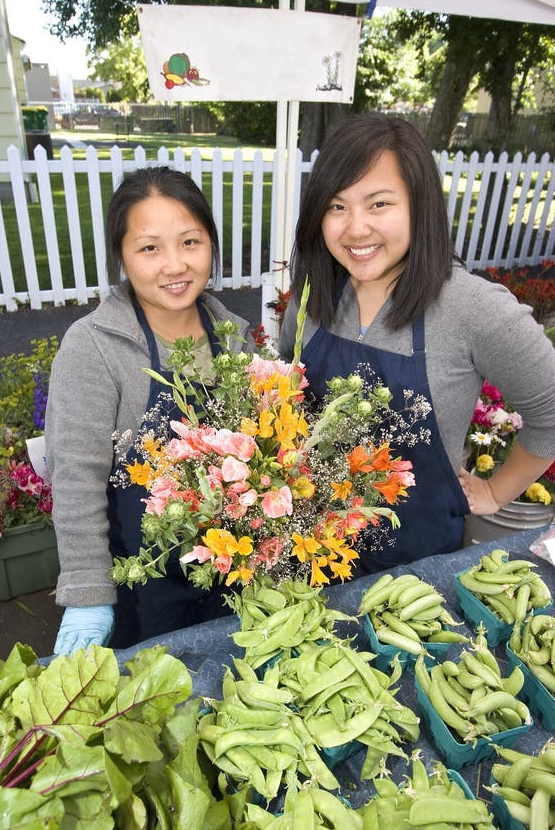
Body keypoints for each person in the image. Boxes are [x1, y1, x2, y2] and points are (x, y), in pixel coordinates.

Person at [279, 112, 555, 573]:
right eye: (336, 206)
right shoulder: (315, 294)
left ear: (419, 205)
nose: (355, 229)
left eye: (379, 204)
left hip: (415, 572)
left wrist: (495, 490)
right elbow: (285, 385)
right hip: (305, 550)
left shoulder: (471, 306)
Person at [46, 166, 254, 655]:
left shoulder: (233, 336)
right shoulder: (95, 348)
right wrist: (88, 594)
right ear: (122, 256)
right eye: (149, 248)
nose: (174, 265)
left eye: (190, 242)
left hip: (233, 574)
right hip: (143, 589)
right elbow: (76, 478)